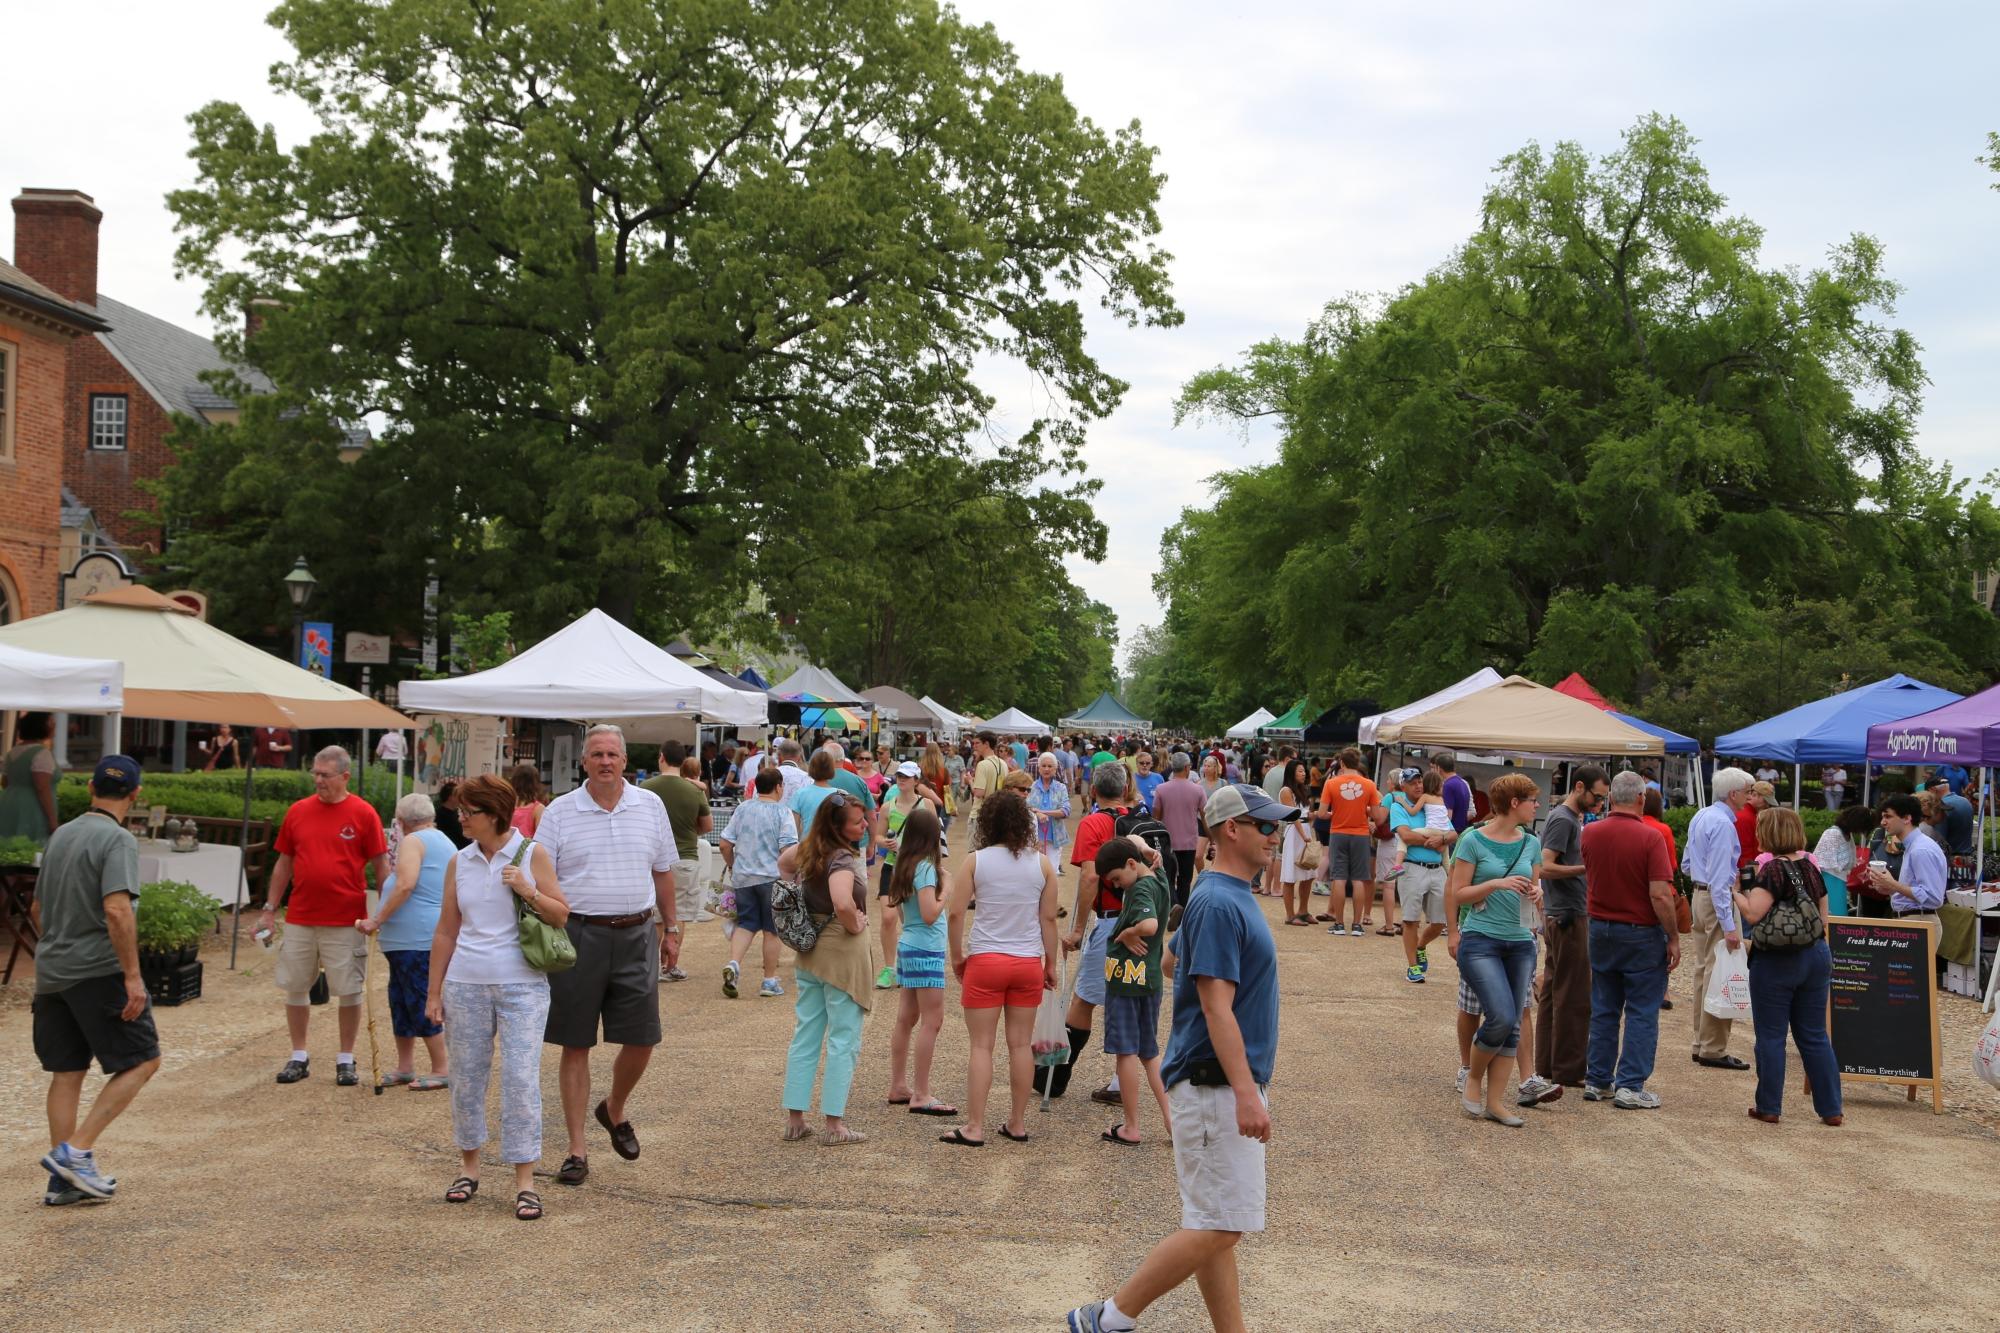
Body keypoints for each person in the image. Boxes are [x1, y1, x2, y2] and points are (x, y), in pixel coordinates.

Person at [1064, 784, 1294, 1333]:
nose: (1275, 835)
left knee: (1214, 1222)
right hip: (1213, 1081)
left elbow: (1170, 964)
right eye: (1265, 826)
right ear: (1230, 830)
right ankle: (1108, 1318)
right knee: (1224, 1226)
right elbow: (1216, 1006)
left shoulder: (1216, 896)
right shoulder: (1218, 900)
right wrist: (1245, 1092)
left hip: (1209, 1078)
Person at [535, 724, 679, 1186]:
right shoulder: (559, 812)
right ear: (583, 762)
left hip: (637, 932)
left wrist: (671, 928)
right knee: (575, 1042)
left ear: (624, 760)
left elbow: (663, 872)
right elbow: (541, 876)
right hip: (579, 935)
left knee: (643, 1038)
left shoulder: (649, 805)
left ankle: (613, 1108)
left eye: (612, 754)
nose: (604, 761)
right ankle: (577, 1151)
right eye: (596, 754)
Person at [426, 773, 570, 1220]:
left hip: (522, 984)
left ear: (494, 814)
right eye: (460, 810)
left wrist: (527, 889)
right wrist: (434, 992)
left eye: (469, 811)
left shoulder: (532, 853)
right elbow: (447, 929)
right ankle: (469, 1167)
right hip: (465, 982)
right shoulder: (460, 861)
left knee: (521, 1079)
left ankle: (525, 1179)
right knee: (467, 1078)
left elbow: (561, 915)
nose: (460, 817)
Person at [30, 755, 160, 1204]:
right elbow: (117, 909)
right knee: (143, 1060)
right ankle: (76, 1154)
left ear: (90, 786)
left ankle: (62, 1181)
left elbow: (36, 910)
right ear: (136, 794)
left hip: (52, 971)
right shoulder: (117, 839)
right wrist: (133, 976)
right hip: (96, 969)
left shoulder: (61, 835)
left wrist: (57, 948)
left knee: (67, 1073)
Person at [258, 746, 391, 1086]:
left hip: (347, 918)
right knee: (295, 985)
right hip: (302, 915)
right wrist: (270, 909)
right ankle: (298, 1055)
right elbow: (284, 862)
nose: (317, 780)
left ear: (344, 776)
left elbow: (381, 864)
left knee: (349, 988)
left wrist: (385, 912)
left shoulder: (363, 813)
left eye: (324, 775)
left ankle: (346, 1058)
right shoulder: (299, 811)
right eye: (315, 773)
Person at [941, 788, 1058, 1147]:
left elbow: (956, 911)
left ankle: (974, 1125)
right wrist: (1050, 962)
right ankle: (1017, 1122)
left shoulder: (976, 861)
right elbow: (1049, 919)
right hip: (1026, 962)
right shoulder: (1042, 864)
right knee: (1021, 1044)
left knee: (981, 1046)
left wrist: (958, 954)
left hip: (987, 959)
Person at [776, 791, 877, 1146]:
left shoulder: (809, 848)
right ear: (838, 827)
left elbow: (785, 864)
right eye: (857, 821)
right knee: (843, 1037)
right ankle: (834, 1123)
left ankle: (795, 1118)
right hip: (840, 953)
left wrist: (799, 899)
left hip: (810, 951)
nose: (864, 825)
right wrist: (854, 924)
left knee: (806, 1033)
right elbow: (842, 900)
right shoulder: (843, 858)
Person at [1733, 805, 1843, 1128]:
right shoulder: (1811, 868)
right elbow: (1824, 918)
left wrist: (1735, 893)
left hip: (1777, 958)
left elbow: (1754, 913)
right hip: (1815, 954)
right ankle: (1831, 1108)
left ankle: (1769, 1105)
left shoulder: (1771, 871)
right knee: (1814, 1035)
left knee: (1771, 1034)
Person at [1042, 762, 1145, 1102]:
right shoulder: (1142, 818)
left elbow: (1089, 877)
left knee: (1084, 997)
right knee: (1129, 998)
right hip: (1144, 918)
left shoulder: (1095, 822)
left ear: (1094, 791)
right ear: (1126, 787)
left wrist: (1076, 930)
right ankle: (1120, 1080)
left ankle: (1056, 1076)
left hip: (1112, 918)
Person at [1447, 772, 1545, 1127]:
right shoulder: (1473, 840)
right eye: (1533, 800)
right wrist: (1496, 883)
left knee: (1514, 1024)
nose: (1538, 805)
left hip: (1521, 941)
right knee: (1502, 1015)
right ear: (1515, 803)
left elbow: (1534, 890)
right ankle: (1473, 1077)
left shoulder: (1531, 843)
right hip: (1481, 939)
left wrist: (1538, 893)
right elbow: (1458, 893)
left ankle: (1497, 1103)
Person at [1579, 771, 1680, 1109]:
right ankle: (1630, 1085)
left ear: (1610, 799)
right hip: (1639, 931)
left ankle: (1597, 1079)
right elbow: (1660, 895)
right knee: (1641, 1010)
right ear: (1640, 798)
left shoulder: (1590, 833)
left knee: (1605, 1007)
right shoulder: (1651, 838)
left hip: (1600, 927)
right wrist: (1673, 936)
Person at [357, 792, 454, 1090]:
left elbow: (405, 884)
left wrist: (377, 919)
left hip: (417, 938)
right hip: (410, 940)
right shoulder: (441, 840)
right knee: (401, 1000)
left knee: (419, 999)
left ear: (400, 822)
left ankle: (441, 1067)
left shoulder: (415, 841)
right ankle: (405, 1065)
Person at [1531, 764, 1607, 1098]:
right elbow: (1545, 868)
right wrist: (1587, 867)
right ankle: (1569, 1068)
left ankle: (1548, 1064)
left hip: (1563, 912)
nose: (1599, 804)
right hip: (1568, 915)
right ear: (1579, 787)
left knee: (1554, 991)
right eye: (1596, 796)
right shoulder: (1563, 819)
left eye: (1603, 799)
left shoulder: (1566, 818)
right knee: (1573, 995)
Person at [1095, 836, 1175, 1146]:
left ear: (1131, 865)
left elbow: (1151, 925)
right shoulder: (1158, 874)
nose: (1116, 885)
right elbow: (1134, 841)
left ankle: (1131, 1126)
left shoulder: (1139, 888)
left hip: (1127, 980)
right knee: (1149, 1052)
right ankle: (1172, 1121)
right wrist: (1146, 850)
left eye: (1116, 878)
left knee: (1125, 1052)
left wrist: (1128, 931)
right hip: (1149, 979)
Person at [885, 806, 955, 1116]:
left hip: (908, 945)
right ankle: (922, 1092)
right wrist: (947, 891)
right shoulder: (927, 868)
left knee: (906, 1018)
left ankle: (899, 1084)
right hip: (926, 948)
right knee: (932, 1020)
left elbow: (903, 912)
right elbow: (930, 914)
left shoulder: (903, 864)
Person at [1685, 767, 1755, 1071]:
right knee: (1721, 970)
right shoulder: (1725, 824)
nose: (1750, 797)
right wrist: (1728, 924)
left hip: (1699, 896)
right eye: (1748, 791)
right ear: (1734, 793)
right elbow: (1719, 878)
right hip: (1716, 899)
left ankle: (1702, 1041)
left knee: (1704, 969)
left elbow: (1688, 863)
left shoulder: (1701, 815)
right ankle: (1713, 1047)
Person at [718, 767, 798, 998]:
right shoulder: (783, 813)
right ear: (779, 787)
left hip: (744, 877)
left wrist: (732, 864)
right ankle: (769, 980)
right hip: (772, 878)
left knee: (746, 924)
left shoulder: (743, 809)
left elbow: (725, 844)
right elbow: (788, 849)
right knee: (772, 931)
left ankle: (734, 963)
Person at [641, 749, 715, 979]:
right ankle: (670, 966)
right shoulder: (694, 790)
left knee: (655, 915)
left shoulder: (645, 788)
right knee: (678, 914)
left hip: (653, 858)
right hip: (685, 856)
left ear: (661, 757)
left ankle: (650, 966)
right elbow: (707, 826)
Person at [877, 760, 939, 989]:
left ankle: (906, 964)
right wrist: (887, 842)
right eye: (899, 775)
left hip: (917, 868)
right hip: (892, 867)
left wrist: (933, 866)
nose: (901, 779)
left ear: (916, 780)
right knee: (888, 917)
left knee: (911, 919)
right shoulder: (888, 806)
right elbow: (877, 836)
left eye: (906, 776)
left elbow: (934, 838)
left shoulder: (927, 805)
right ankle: (888, 968)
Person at [1390, 769, 1452, 983]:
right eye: (1412, 783)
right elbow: (1404, 835)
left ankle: (1420, 945)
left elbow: (1454, 832)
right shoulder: (1399, 807)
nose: (1418, 785)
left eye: (1420, 781)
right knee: (1410, 920)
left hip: (1436, 869)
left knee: (1439, 922)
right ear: (1403, 786)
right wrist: (1436, 840)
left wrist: (1441, 837)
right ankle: (1413, 966)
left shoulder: (1432, 803)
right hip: (1412, 868)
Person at [1319, 748, 1381, 937]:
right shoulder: (1369, 785)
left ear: (1342, 764)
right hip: (1361, 834)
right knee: (1359, 878)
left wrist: (1334, 813)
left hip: (1338, 833)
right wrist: (1365, 810)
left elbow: (1321, 814)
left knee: (1338, 877)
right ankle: (1356, 925)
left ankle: (1338, 924)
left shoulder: (1331, 784)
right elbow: (1377, 817)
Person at [1867, 793, 1947, 923]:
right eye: (1882, 817)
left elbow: (1932, 897)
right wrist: (1890, 888)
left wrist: (1893, 884)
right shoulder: (1913, 846)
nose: (1883, 822)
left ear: (1906, 819)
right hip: (1912, 920)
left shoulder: (1920, 850)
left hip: (1919, 921)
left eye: (1888, 816)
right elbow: (1916, 892)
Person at [0, 711, 59, 844]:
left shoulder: (12, 752)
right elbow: (42, 788)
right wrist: (53, 821)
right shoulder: (42, 753)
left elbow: (4, 782)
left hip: (9, 803)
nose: (54, 725)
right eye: (50, 722)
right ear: (41, 726)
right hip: (33, 807)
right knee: (32, 846)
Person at [1812, 805, 1877, 918]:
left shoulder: (1846, 834)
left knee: (1839, 917)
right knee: (1834, 917)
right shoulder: (1833, 833)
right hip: (1829, 880)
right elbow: (1822, 862)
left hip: (1838, 880)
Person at [1029, 752, 1071, 882]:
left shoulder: (1061, 788)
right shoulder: (1031, 787)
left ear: (1055, 768)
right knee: (1034, 875)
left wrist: (1041, 811)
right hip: (1032, 838)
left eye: (1050, 766)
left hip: (1055, 837)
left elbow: (1066, 811)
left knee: (1051, 874)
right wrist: (1036, 814)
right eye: (1044, 766)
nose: (1047, 769)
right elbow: (1023, 807)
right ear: (1039, 768)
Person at [1930, 777, 1976, 857]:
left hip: (1951, 859)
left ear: (1933, 789)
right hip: (1968, 857)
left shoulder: (1942, 806)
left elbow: (1939, 839)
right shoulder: (1966, 802)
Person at [969, 731, 1008, 820]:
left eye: (977, 743)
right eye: (973, 743)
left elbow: (979, 793)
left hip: (980, 813)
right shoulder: (1003, 763)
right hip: (997, 811)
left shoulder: (983, 764)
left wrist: (970, 781)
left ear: (986, 744)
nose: (974, 746)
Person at [1433, 751, 1474, 833]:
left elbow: (1448, 815)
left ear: (1439, 769)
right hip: (1462, 830)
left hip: (1451, 832)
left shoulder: (1448, 785)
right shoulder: (1463, 783)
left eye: (1435, 768)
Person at [1736, 781, 1774, 865]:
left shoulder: (1747, 814)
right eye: (1766, 800)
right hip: (1748, 868)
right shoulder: (1746, 817)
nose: (1767, 804)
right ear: (1755, 795)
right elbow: (1745, 850)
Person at [505, 764, 546, 837]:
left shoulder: (506, 804)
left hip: (505, 846)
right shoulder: (538, 809)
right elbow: (542, 836)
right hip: (526, 847)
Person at [433, 780, 465, 847]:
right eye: (458, 795)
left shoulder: (458, 813)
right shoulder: (438, 816)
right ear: (450, 797)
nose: (461, 797)